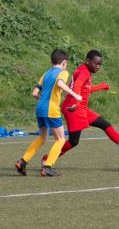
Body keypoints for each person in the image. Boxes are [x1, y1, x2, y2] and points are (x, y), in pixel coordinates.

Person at [41, 50, 119, 163]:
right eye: (96, 63)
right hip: (74, 109)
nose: (98, 67)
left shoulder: (84, 70)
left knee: (104, 124)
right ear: (87, 61)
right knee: (73, 141)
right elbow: (77, 86)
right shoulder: (84, 72)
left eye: (100, 64)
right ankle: (47, 160)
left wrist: (101, 86)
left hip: (81, 109)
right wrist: (77, 103)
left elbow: (86, 88)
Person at [15, 49, 82, 177]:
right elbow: (60, 83)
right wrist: (75, 95)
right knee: (61, 139)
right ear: (64, 62)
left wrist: (42, 101)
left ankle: (22, 161)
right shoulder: (63, 72)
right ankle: (47, 167)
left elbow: (35, 93)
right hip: (51, 110)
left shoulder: (45, 74)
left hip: (40, 108)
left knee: (42, 137)